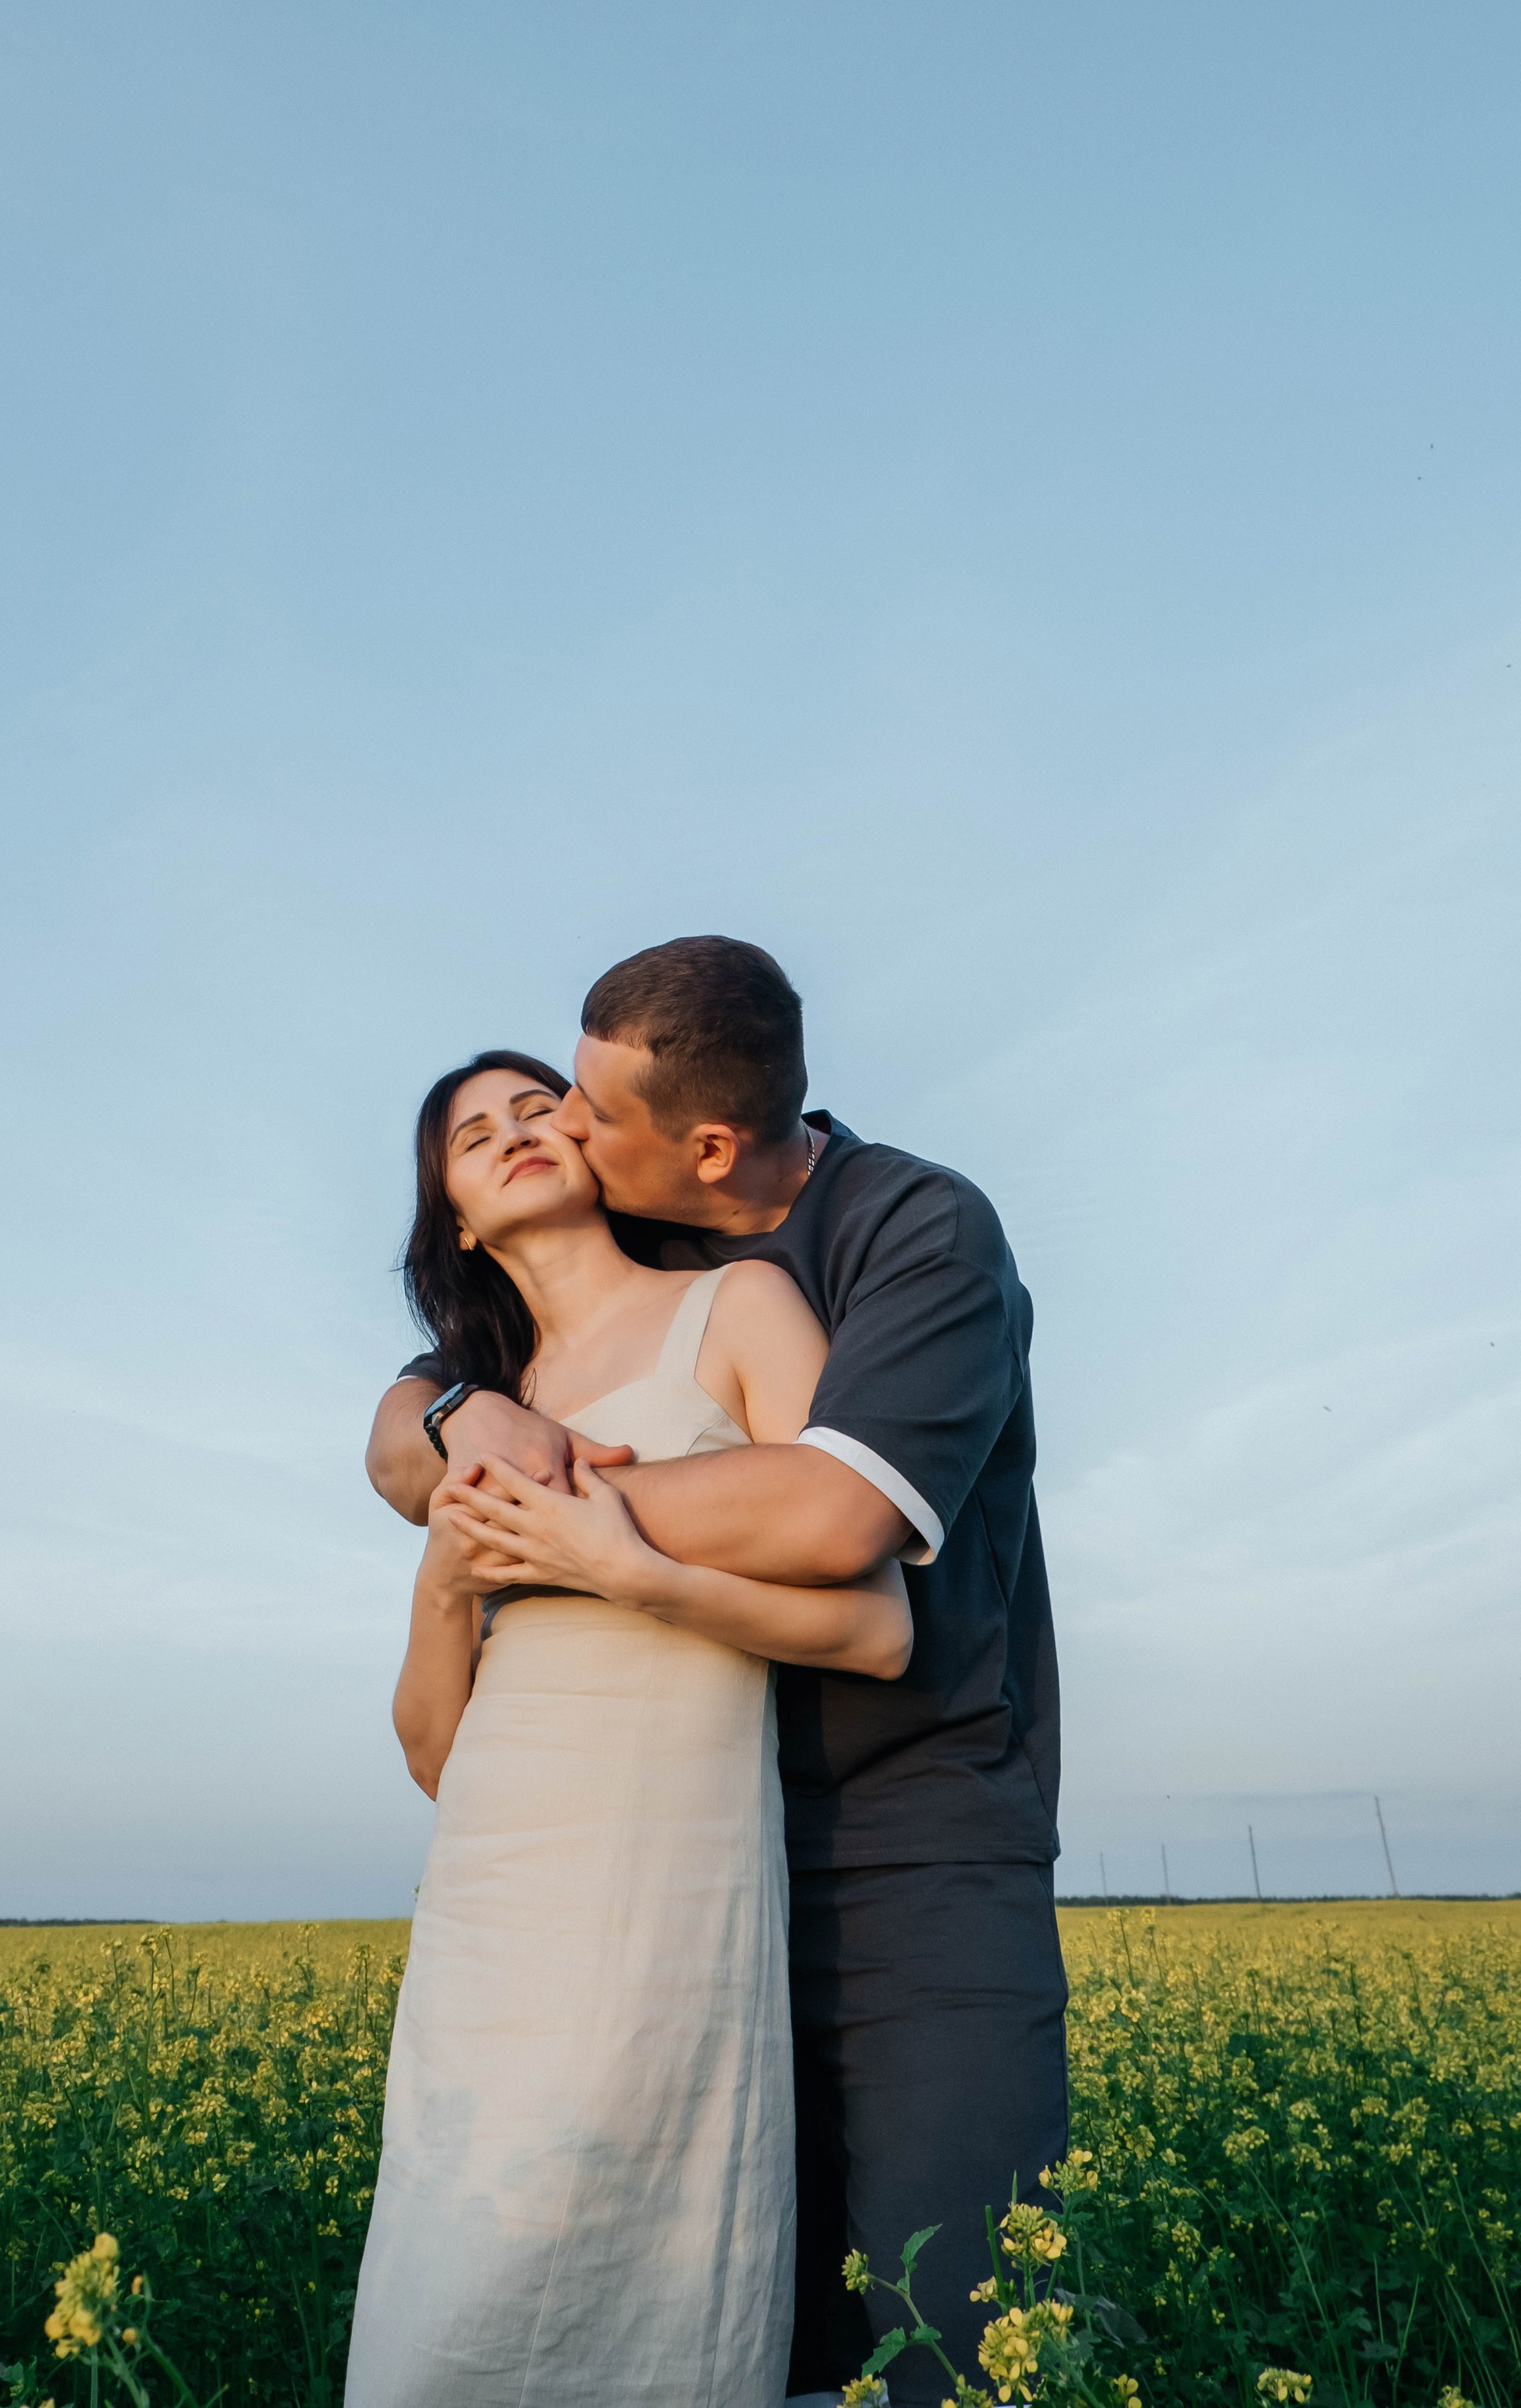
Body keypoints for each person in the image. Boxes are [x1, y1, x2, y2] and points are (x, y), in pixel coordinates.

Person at [367, 940, 1067, 2408]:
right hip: (628, 1859)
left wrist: (547, 1519)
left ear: (704, 1148)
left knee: (952, 2314)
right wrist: (452, 1436)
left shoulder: (901, 1232)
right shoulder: (601, 1276)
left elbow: (840, 1522)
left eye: (570, 1107)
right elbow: (416, 1430)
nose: (555, 1126)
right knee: (704, 2302)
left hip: (906, 1828)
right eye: (502, 1125)